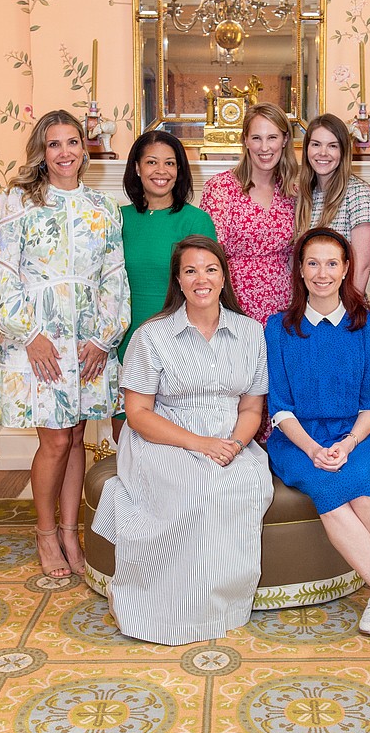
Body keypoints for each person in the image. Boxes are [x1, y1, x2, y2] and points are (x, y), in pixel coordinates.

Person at [92, 235, 274, 644]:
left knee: (242, 485)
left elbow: (251, 409)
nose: (201, 279)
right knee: (195, 489)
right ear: (178, 279)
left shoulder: (250, 333)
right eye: (190, 271)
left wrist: (234, 445)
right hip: (163, 438)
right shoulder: (152, 335)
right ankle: (159, 607)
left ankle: (220, 605)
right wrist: (199, 443)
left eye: (210, 269)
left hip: (230, 439)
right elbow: (138, 414)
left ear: (224, 276)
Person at [265, 227, 370, 648]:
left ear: (346, 269)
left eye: (332, 263)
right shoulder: (278, 327)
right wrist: (314, 449)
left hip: (360, 434)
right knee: (329, 487)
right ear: (300, 270)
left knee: (365, 490)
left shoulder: (369, 326)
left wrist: (349, 443)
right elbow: (279, 406)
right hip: (297, 440)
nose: (322, 273)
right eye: (313, 263)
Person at [0, 110, 130, 580]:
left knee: (76, 437)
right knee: (54, 440)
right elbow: (3, 276)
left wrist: (103, 339)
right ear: (41, 152)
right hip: (38, 341)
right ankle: (45, 532)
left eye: (73, 142)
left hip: (87, 342)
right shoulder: (13, 201)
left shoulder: (103, 207)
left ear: (84, 149)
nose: (65, 152)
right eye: (54, 144)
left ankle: (71, 532)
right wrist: (29, 336)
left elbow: (114, 279)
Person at [111, 131, 216, 442]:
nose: (161, 171)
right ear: (137, 167)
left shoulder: (196, 221)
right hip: (126, 339)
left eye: (170, 163)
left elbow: (207, 290)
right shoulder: (117, 219)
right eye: (152, 162)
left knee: (178, 435)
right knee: (125, 437)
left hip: (179, 339)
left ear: (179, 170)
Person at [200, 102, 297, 327]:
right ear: (245, 140)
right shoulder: (221, 188)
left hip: (284, 308)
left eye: (272, 137)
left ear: (284, 140)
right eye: (256, 138)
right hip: (233, 306)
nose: (264, 147)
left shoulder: (292, 192)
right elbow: (209, 256)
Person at [296, 113, 370, 295]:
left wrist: (347, 308)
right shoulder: (304, 194)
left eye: (332, 146)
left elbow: (362, 266)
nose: (323, 152)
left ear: (343, 152)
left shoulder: (358, 193)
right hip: (310, 302)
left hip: (344, 304)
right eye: (316, 144)